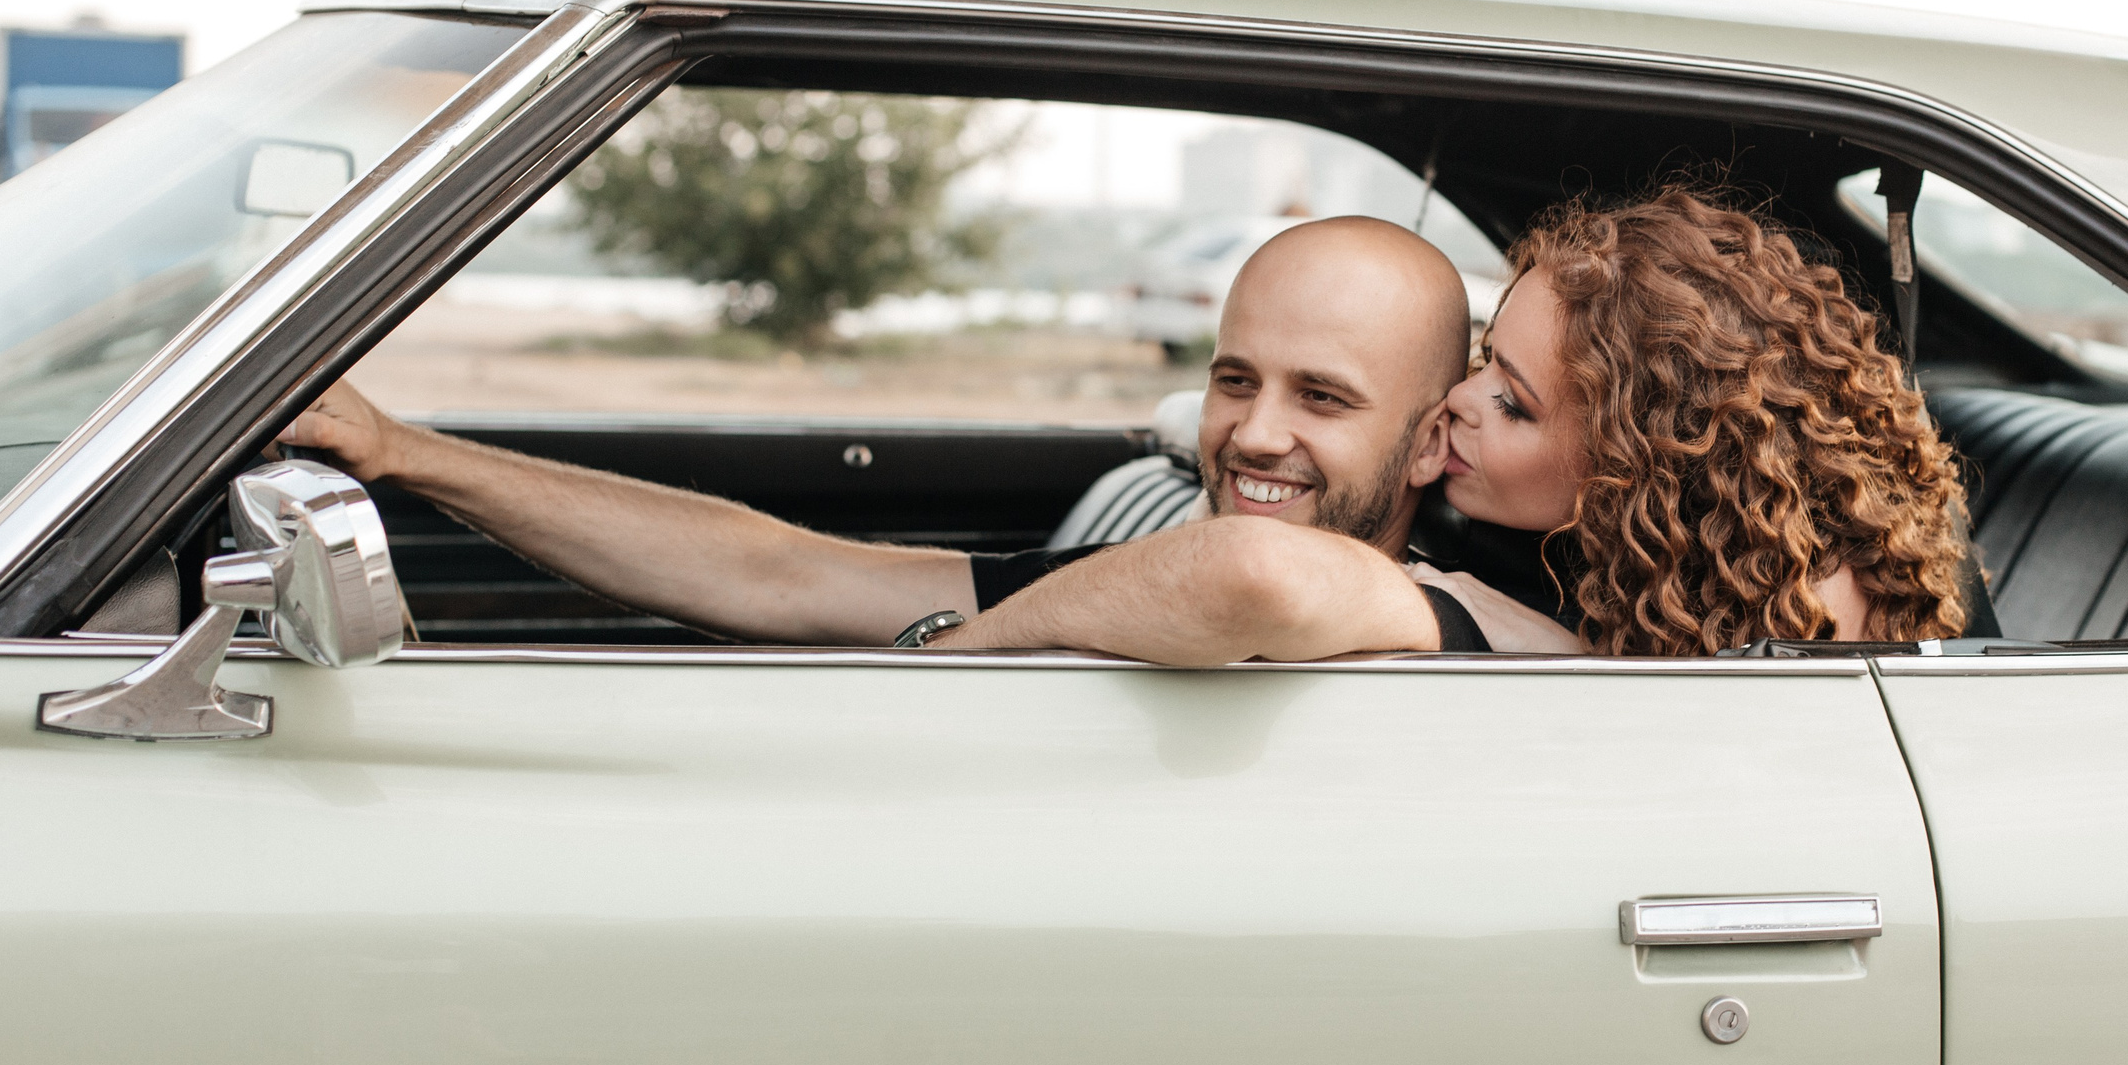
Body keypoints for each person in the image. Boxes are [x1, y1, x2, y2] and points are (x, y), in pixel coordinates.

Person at [279, 215, 1482, 661]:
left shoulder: (1463, 621)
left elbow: (1260, 578)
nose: (1253, 435)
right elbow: (777, 570)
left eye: (1322, 399)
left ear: (1431, 443)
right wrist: (406, 453)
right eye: (1233, 381)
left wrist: (958, 657)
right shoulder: (1148, 564)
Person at [957, 181, 1971, 660]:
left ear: (1641, 459)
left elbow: (1257, 573)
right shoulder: (1626, 552)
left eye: (1512, 403)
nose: (1459, 403)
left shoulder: (1815, 628)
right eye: (1487, 360)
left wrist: (955, 656)